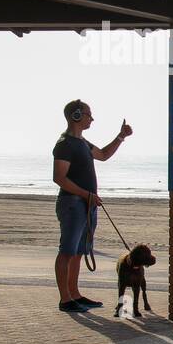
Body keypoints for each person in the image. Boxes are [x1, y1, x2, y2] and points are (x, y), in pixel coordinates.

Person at [52, 100, 132, 313]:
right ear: (76, 116)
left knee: (79, 252)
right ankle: (65, 299)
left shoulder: (83, 143)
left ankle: (74, 294)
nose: (92, 119)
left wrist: (121, 137)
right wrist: (86, 195)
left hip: (86, 205)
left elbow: (104, 155)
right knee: (67, 251)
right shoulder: (64, 144)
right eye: (88, 115)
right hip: (72, 204)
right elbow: (59, 178)